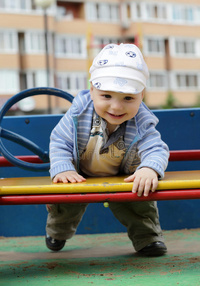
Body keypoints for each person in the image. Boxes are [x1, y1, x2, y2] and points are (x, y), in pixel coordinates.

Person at [45, 43, 169, 256]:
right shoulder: (78, 114)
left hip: (124, 176)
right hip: (79, 174)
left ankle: (148, 239)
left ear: (142, 95)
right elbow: (59, 141)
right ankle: (57, 233)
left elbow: (156, 148)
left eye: (128, 98)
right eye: (106, 96)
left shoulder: (142, 121)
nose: (117, 107)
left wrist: (149, 169)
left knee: (140, 203)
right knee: (64, 206)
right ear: (92, 90)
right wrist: (63, 168)